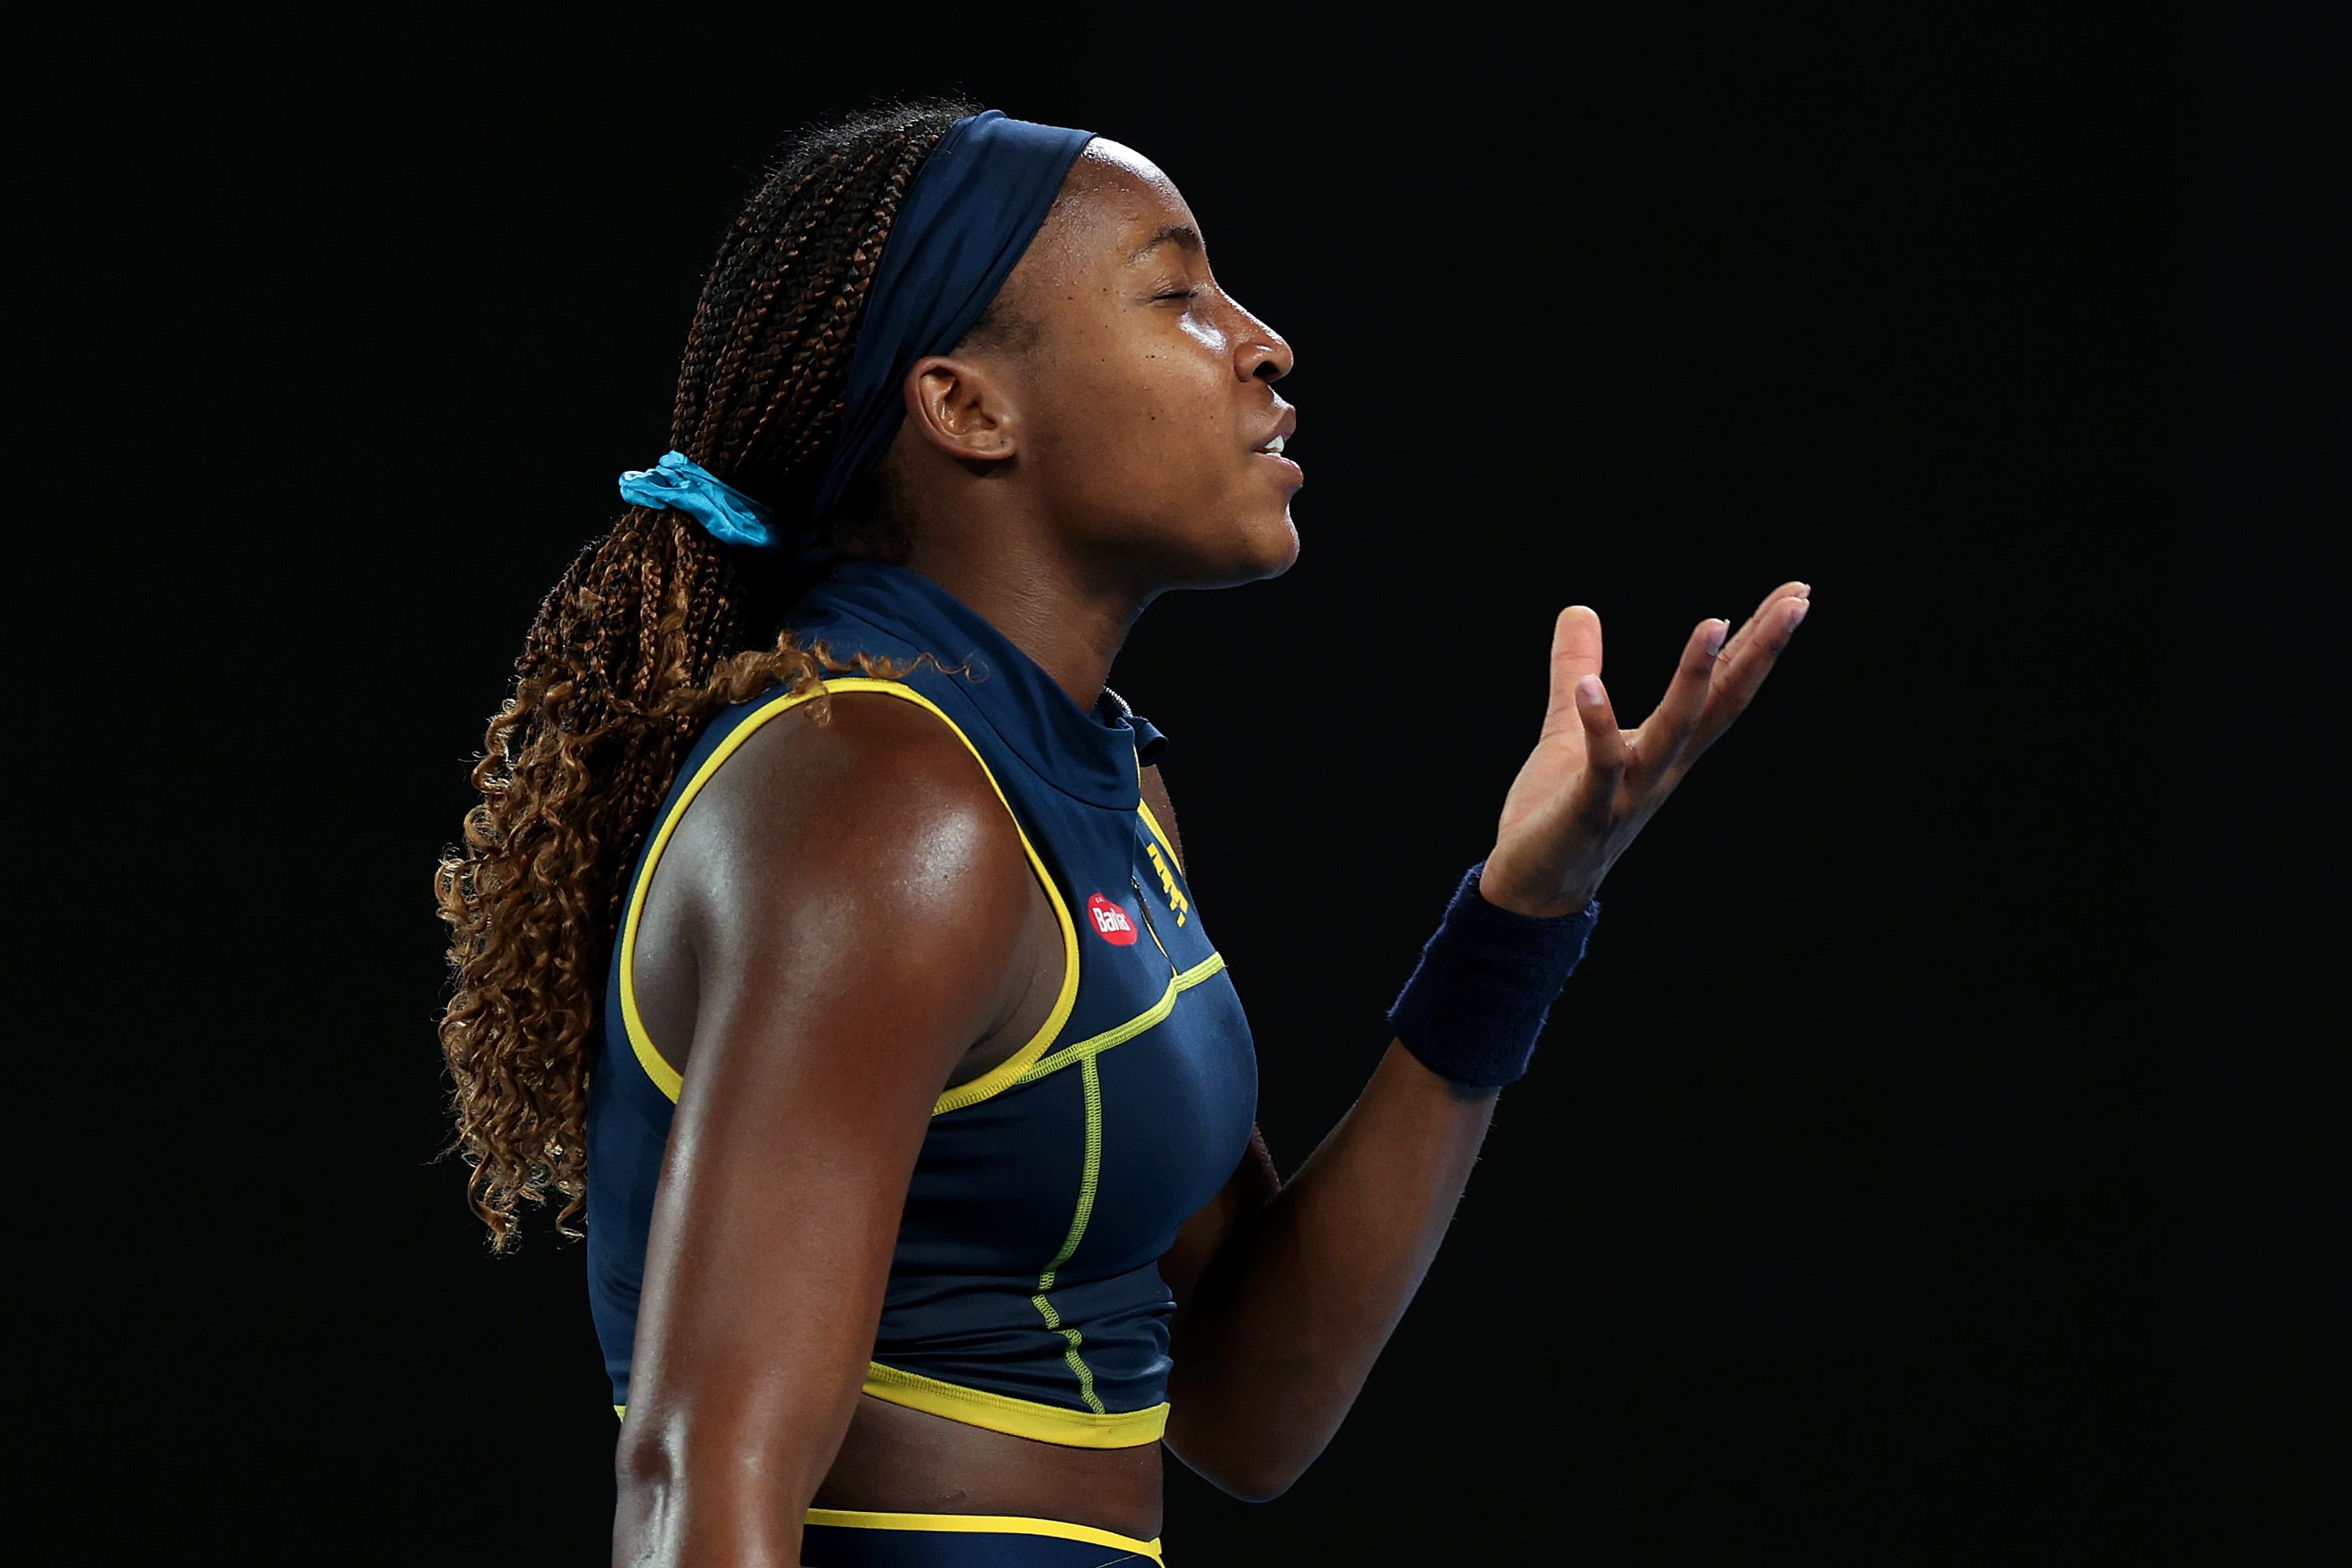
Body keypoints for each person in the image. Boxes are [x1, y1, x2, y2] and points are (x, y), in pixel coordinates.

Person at [435, 101, 1809, 1567]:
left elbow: (1245, 1403)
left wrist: (1519, 917)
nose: (1262, 343)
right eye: (1177, 293)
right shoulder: (879, 799)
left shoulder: (1083, 784)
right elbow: (696, 1481)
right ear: (966, 408)